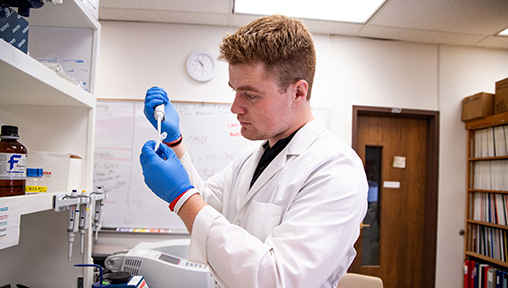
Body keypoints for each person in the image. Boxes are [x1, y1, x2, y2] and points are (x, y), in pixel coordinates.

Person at [140, 14, 368, 288]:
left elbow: (277, 279)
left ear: (298, 92)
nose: (235, 107)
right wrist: (175, 144)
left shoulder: (336, 170)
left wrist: (181, 198)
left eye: (250, 94)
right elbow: (207, 204)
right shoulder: (254, 156)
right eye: (234, 91)